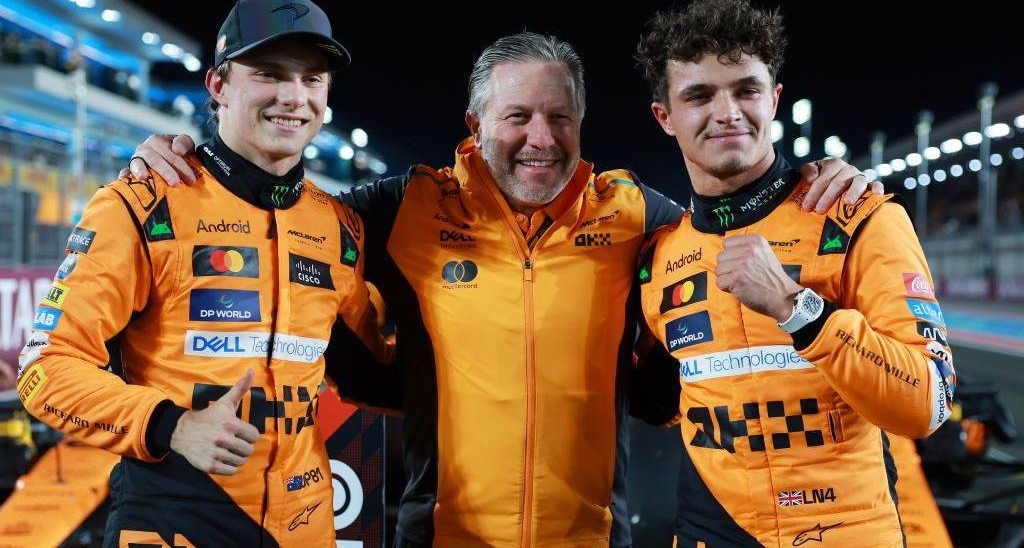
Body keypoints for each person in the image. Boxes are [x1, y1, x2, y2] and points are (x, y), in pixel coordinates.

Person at [128, 31, 876, 547]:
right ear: (475, 122)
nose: (540, 138)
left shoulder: (636, 215)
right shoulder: (403, 208)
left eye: (559, 116)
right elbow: (277, 211)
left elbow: (723, 226)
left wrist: (809, 182)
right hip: (439, 537)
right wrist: (196, 162)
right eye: (516, 116)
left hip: (593, 538)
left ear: (583, 122)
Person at [17, 0, 389, 548]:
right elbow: (45, 368)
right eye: (268, 73)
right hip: (173, 518)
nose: (294, 96)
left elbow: (373, 369)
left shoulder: (339, 226)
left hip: (308, 524)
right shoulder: (142, 202)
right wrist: (173, 425)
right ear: (218, 85)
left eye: (311, 79)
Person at [633, 0, 956, 547]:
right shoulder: (656, 258)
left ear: (775, 98)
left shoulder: (859, 216)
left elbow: (929, 403)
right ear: (665, 116)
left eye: (746, 90)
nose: (728, 112)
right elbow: (663, 399)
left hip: (850, 531)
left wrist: (796, 308)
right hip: (710, 532)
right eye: (699, 95)